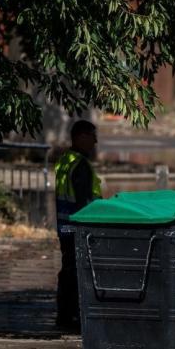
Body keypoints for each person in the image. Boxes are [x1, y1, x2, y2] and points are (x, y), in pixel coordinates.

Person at [53, 120, 102, 331]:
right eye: (92, 136)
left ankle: (64, 316)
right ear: (81, 137)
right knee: (78, 274)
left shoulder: (65, 160)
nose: (95, 141)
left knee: (68, 270)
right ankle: (73, 318)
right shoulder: (80, 164)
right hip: (79, 229)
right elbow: (84, 203)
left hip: (64, 227)